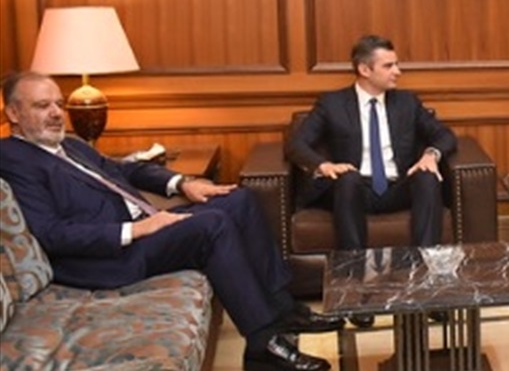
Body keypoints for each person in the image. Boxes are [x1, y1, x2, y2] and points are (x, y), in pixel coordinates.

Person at [0, 72, 340, 371]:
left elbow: (123, 169)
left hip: (144, 227)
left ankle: (282, 307)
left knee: (239, 199)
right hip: (110, 256)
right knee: (212, 226)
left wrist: (182, 183)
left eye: (58, 104)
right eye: (42, 106)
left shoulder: (70, 145)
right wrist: (135, 230)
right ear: (13, 113)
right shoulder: (13, 158)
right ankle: (262, 344)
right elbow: (51, 233)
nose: (56, 113)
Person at [286, 35, 456, 326]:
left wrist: (431, 155)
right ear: (365, 70)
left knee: (427, 177)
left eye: (396, 64)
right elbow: (296, 144)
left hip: (397, 185)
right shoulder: (332, 104)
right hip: (355, 189)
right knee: (348, 179)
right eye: (389, 66)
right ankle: (357, 292)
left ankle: (426, 286)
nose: (397, 71)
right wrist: (324, 165)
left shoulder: (407, 102)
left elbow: (444, 135)